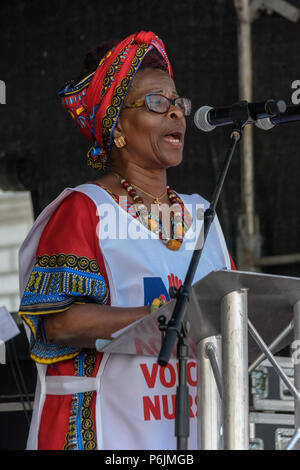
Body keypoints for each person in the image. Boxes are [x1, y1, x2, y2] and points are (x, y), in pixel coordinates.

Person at [18, 31, 235, 450]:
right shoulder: (85, 209)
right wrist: (163, 318)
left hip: (198, 428)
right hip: (108, 431)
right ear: (116, 126)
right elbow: (59, 322)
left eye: (178, 103)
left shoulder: (203, 213)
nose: (176, 114)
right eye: (157, 103)